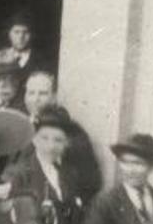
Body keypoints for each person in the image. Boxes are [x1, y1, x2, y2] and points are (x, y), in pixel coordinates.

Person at [3, 104, 82, 224]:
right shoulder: (21, 174)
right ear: (34, 139)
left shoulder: (69, 175)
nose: (50, 146)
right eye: (44, 138)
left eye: (58, 140)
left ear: (67, 143)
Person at [21, 70, 103, 205]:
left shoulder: (70, 131)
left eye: (43, 93)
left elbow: (91, 181)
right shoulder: (21, 125)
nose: (36, 99)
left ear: (54, 97)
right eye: (31, 93)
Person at [0, 10, 46, 80]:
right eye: (16, 32)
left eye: (25, 32)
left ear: (32, 35)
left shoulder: (40, 60)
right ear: (9, 34)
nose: (21, 37)